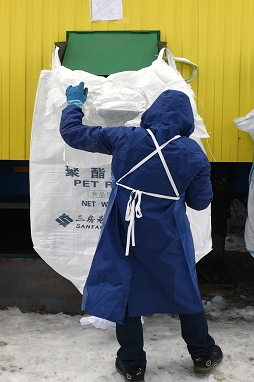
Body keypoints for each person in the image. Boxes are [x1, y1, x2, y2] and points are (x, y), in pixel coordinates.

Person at [60, 83, 223, 381]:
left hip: (123, 229)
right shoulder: (193, 154)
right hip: (169, 235)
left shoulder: (126, 137)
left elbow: (73, 134)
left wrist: (73, 103)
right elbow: (200, 203)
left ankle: (133, 363)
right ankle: (203, 355)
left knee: (126, 289)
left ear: (152, 112)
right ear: (186, 119)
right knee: (184, 288)